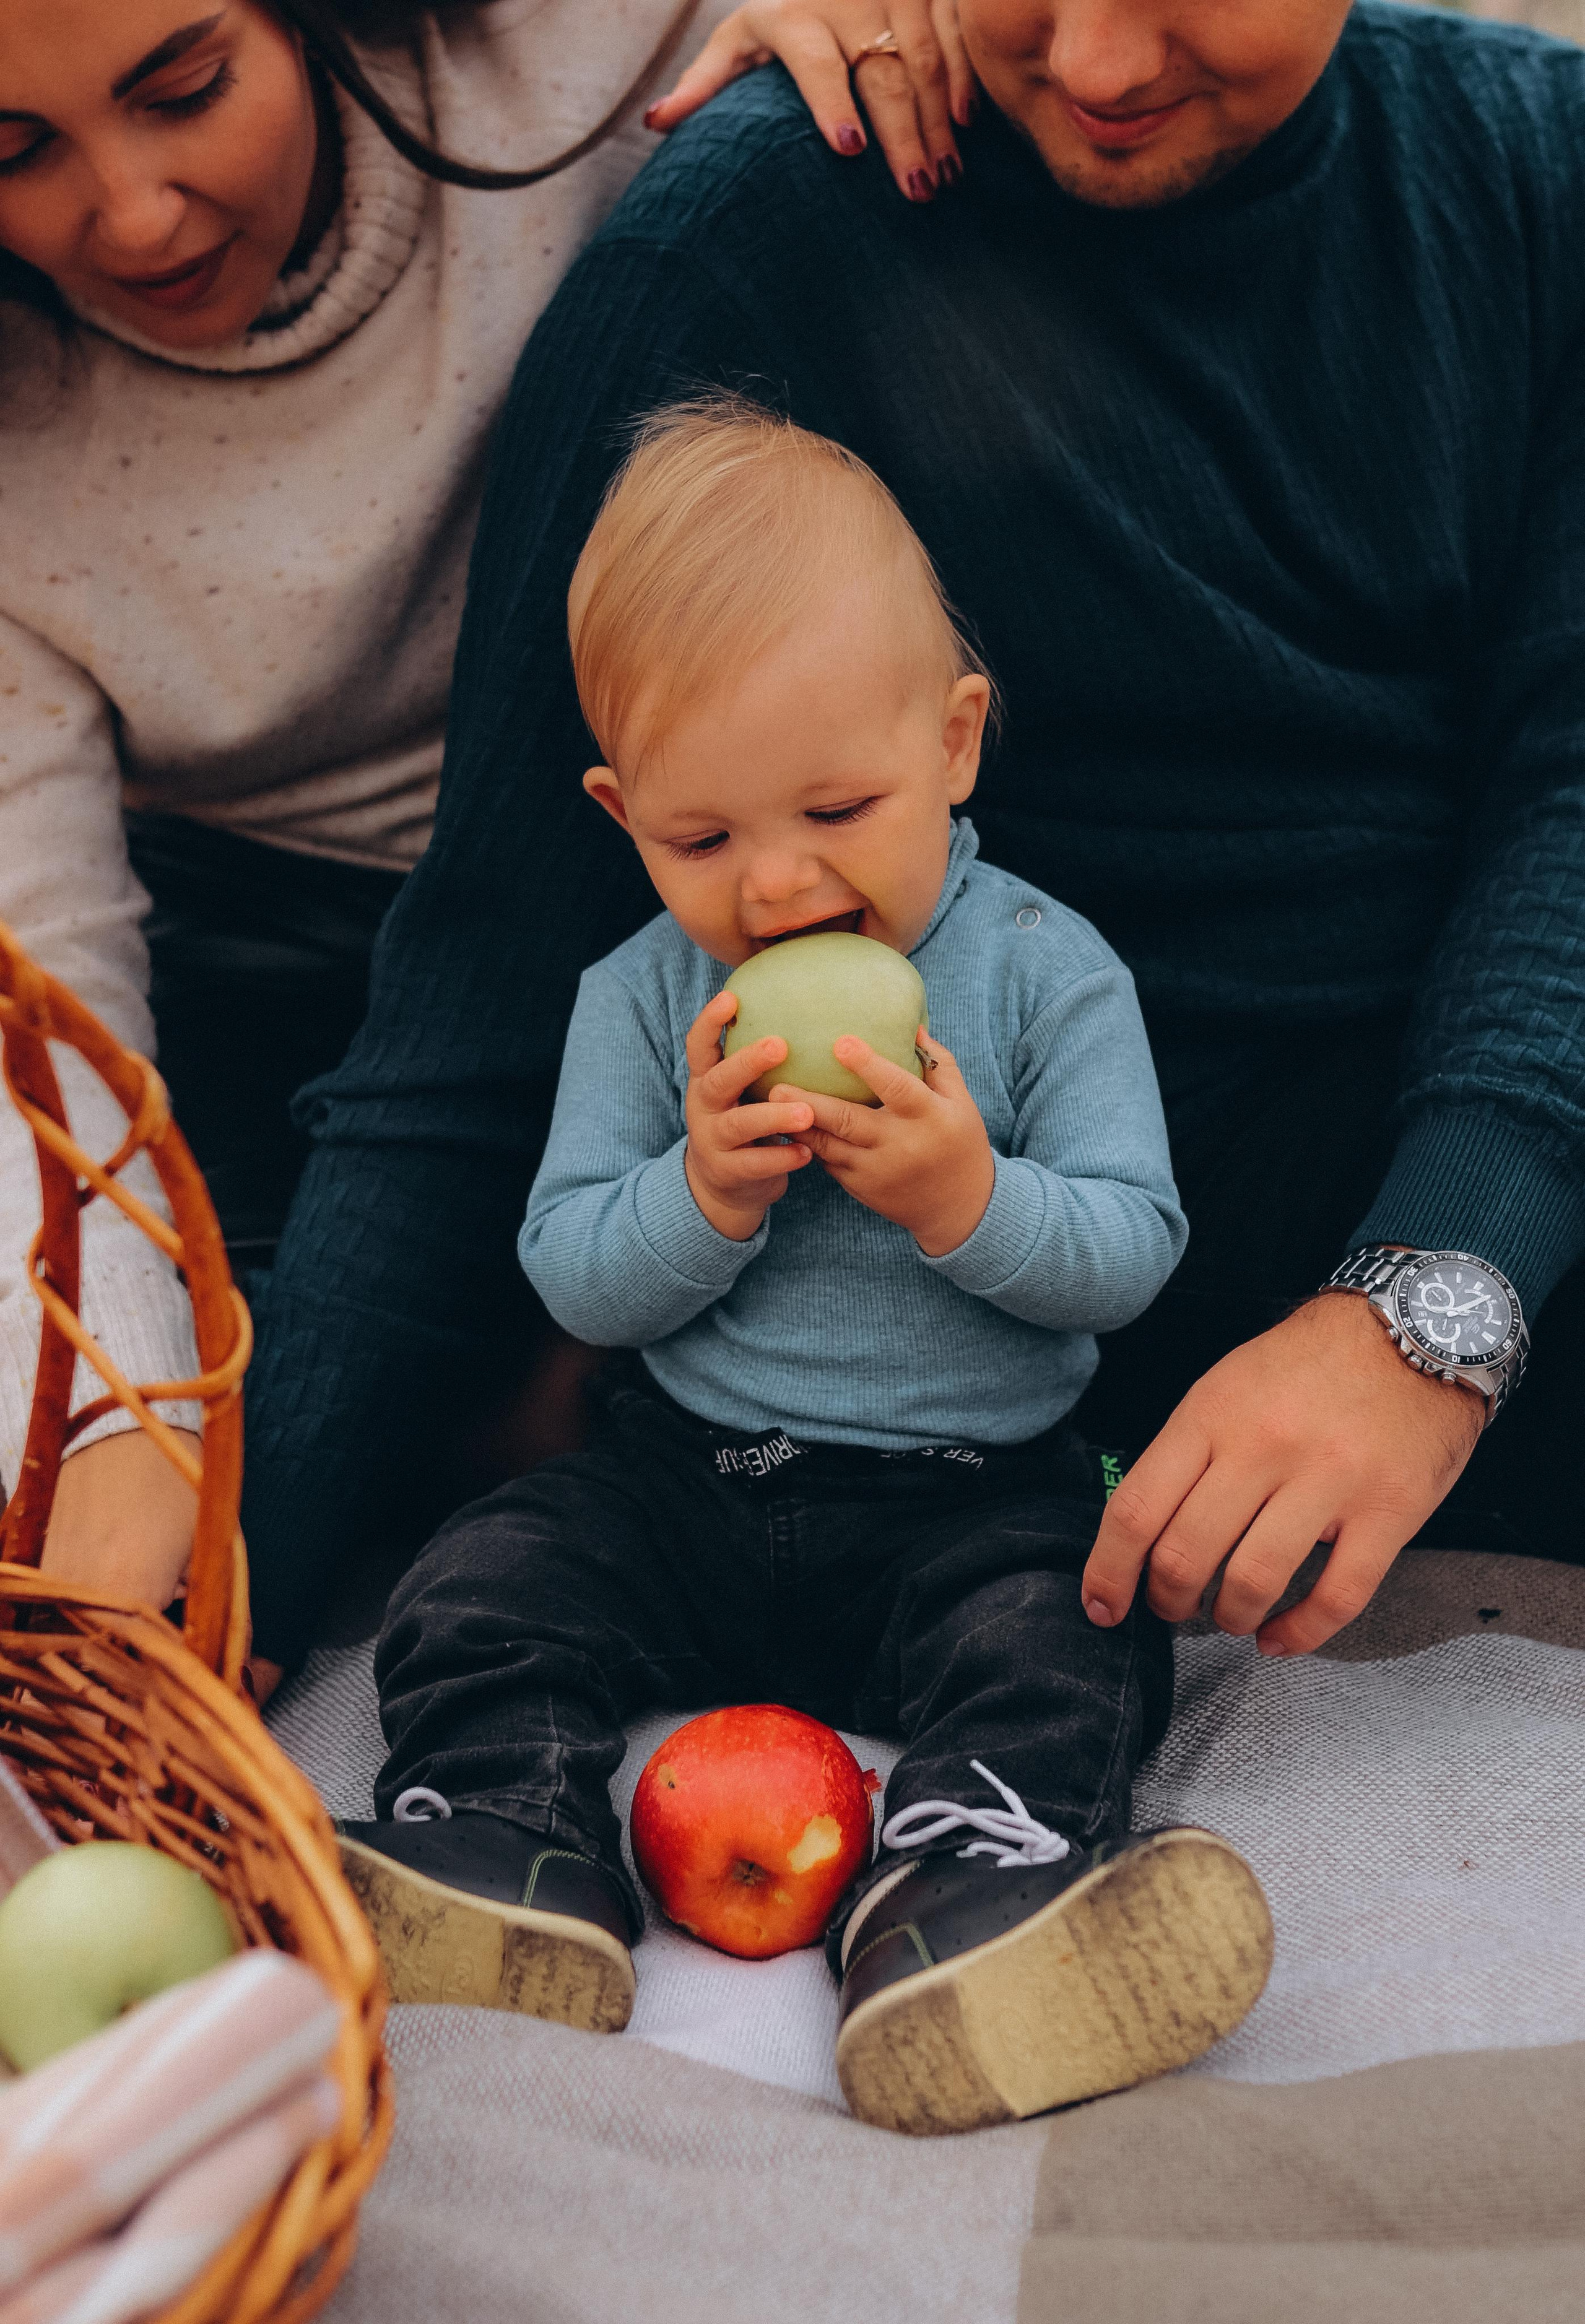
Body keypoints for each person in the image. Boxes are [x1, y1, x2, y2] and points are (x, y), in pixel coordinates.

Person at [242, 0, 1585, 1688]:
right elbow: (471, 1017)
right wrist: (226, 1599)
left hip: (1478, 1158)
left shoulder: (1543, 169)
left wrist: (1422, 1316)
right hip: (1027, 1303)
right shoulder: (745, 244)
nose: (1095, 65)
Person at [336, 404, 1271, 2135]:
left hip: (965, 1494)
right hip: (689, 1479)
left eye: (838, 806)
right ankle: (499, 1837)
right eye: (701, 840)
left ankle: (969, 1889)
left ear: (957, 741)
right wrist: (701, 1194)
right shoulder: (639, 998)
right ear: (621, 813)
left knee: (1077, 1628)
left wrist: (961, 1195)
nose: (774, 886)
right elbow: (575, 1279)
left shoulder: (1047, 976)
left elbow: (1131, 1256)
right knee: (483, 1580)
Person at [0, 0, 977, 1606]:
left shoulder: (576, 46)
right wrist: (115, 1404)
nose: (135, 212)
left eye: (186, 91)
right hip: (268, 964)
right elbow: (48, 1001)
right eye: (13, 153)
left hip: (680, 862)